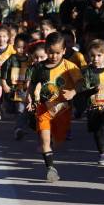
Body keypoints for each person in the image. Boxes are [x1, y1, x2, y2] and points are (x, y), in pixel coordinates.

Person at [29, 32, 81, 182]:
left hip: (62, 110)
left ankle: (52, 146)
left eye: (58, 53)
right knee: (45, 141)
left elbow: (80, 82)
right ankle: (50, 169)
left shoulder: (69, 66)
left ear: (64, 51)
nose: (54, 56)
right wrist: (30, 97)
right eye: (51, 52)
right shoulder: (39, 67)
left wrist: (73, 91)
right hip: (44, 109)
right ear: (46, 50)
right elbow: (33, 84)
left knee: (59, 140)